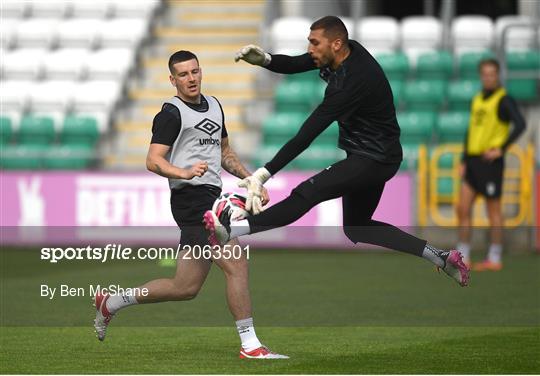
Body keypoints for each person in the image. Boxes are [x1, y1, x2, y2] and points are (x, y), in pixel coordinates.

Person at [203, 16, 470, 287]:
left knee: (308, 192)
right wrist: (266, 60)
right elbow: (297, 63)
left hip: (374, 159)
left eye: (314, 43)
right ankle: (441, 257)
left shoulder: (352, 82)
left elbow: (307, 134)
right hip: (373, 155)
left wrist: (264, 173)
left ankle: (233, 230)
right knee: (357, 227)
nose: (310, 49)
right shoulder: (340, 52)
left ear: (336, 43)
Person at [93, 50, 288, 359]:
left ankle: (112, 302)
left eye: (195, 71)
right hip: (191, 199)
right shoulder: (171, 113)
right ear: (173, 80)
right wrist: (182, 171)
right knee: (236, 263)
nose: (191, 78)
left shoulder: (214, 106)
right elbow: (153, 160)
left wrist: (251, 179)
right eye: (183, 74)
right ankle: (250, 345)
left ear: (201, 72)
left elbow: (224, 153)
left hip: (210, 194)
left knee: (185, 287)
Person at [455, 58, 526, 271]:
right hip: (474, 162)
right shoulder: (477, 99)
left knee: (493, 211)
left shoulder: (504, 100)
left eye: (492, 74)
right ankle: (463, 256)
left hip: (490, 163)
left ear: (498, 76)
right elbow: (471, 131)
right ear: (481, 76)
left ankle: (494, 257)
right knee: (462, 208)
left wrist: (501, 148)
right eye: (485, 74)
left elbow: (520, 124)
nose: (488, 77)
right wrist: (464, 160)